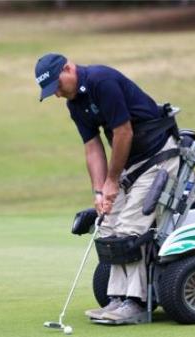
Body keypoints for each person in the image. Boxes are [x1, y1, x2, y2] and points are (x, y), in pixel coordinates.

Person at [35, 53, 179, 323]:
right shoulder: (74, 104)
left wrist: (113, 179)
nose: (57, 94)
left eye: (57, 86)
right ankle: (117, 299)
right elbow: (92, 148)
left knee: (130, 227)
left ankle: (135, 304)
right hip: (130, 165)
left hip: (158, 157)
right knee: (109, 225)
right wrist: (99, 191)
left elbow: (124, 132)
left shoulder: (102, 81)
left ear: (68, 68)